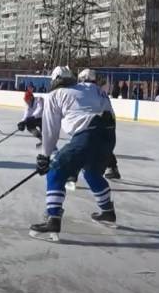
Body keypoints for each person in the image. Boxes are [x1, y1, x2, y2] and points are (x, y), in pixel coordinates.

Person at [30, 67, 117, 241]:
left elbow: (50, 129)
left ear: (54, 80)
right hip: (109, 136)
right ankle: (107, 212)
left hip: (87, 135)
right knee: (91, 173)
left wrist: (45, 157)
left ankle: (53, 219)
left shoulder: (55, 95)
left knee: (56, 171)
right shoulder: (94, 90)